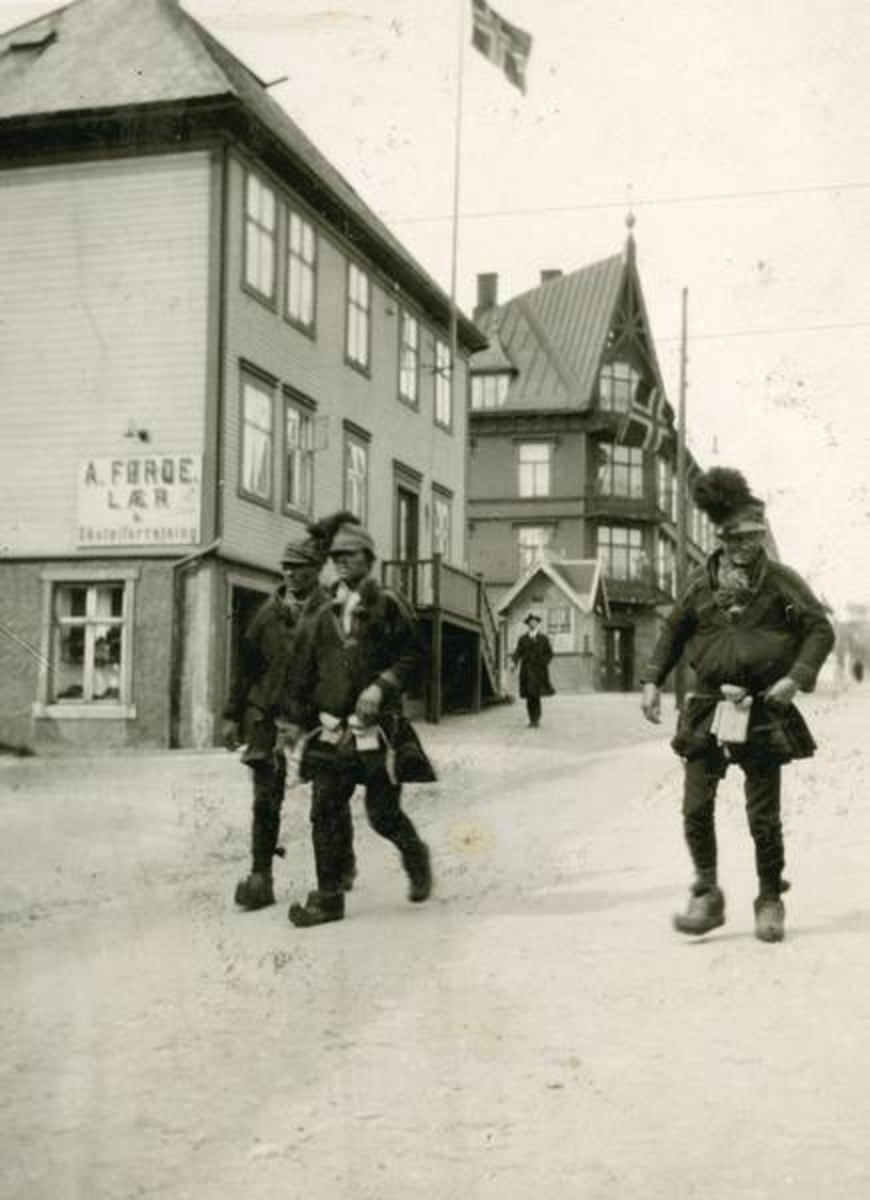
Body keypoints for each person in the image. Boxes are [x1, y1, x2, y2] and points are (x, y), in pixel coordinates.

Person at [641, 468, 834, 943]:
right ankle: (706, 893)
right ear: (721, 538)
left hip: (765, 708)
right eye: (734, 538)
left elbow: (819, 630)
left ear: (761, 534)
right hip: (707, 707)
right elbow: (672, 631)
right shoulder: (699, 583)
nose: (744, 546)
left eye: (752, 536)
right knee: (694, 808)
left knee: (763, 816)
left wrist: (795, 678)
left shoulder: (782, 582)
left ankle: (770, 899)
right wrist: (651, 680)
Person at [284, 520, 433, 928]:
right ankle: (328, 898)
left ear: (369, 558)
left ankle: (415, 856)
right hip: (332, 732)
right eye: (335, 557)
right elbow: (304, 668)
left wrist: (382, 686)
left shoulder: (388, 603)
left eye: (349, 555)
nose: (341, 562)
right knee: (324, 811)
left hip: (377, 732)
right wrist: (295, 720)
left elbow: (415, 656)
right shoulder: (323, 612)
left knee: (382, 814)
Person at [222, 537, 331, 911]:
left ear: (316, 571)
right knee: (265, 800)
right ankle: (260, 878)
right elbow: (246, 666)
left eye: (297, 566)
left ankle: (330, 884)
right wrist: (231, 715)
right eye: (285, 566)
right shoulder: (268, 613)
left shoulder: (331, 613)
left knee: (327, 802)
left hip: (315, 718)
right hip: (267, 715)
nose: (289, 573)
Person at [511, 611, 555, 727]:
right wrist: (513, 663)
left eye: (535, 622)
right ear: (528, 624)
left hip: (539, 672)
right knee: (529, 696)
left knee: (536, 695)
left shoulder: (543, 638)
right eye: (530, 622)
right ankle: (532, 720)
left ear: (537, 624)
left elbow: (549, 654)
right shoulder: (523, 639)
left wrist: (543, 663)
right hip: (526, 671)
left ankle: (537, 718)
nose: (532, 624)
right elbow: (518, 652)